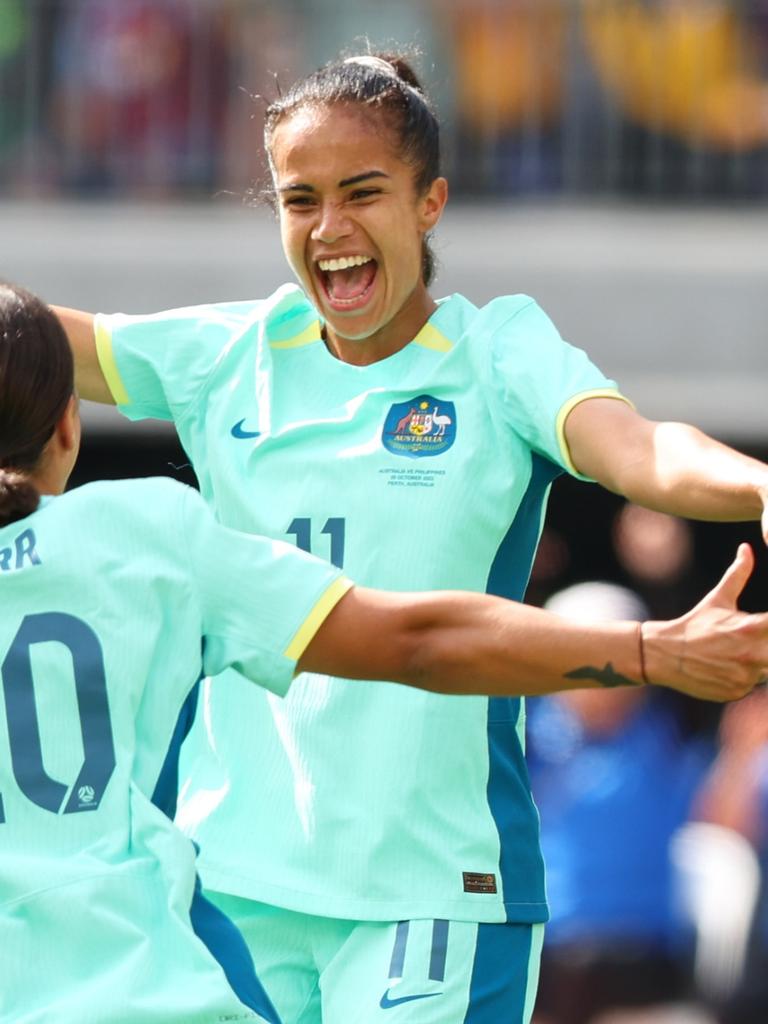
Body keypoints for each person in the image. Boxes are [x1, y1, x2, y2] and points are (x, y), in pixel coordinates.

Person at [49, 52, 768, 1024]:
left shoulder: (499, 354)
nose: (330, 229)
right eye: (299, 199)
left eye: (362, 193)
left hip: (434, 895)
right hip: (234, 885)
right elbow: (31, 342)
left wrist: (755, 482)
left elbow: (643, 452)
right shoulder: (228, 356)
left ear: (430, 204)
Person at [527, 583, 712, 1024]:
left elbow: (688, 643)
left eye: (613, 655)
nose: (601, 674)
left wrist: (666, 570)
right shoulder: (516, 735)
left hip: (644, 975)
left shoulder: (676, 728)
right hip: (541, 971)